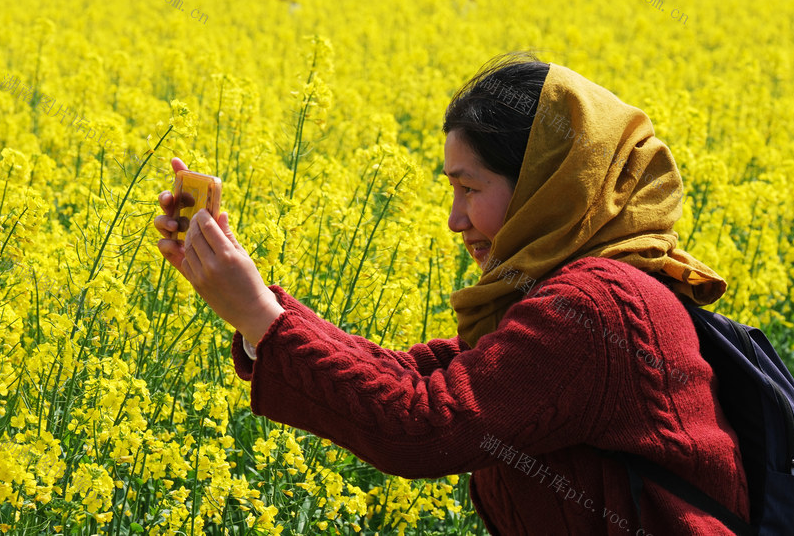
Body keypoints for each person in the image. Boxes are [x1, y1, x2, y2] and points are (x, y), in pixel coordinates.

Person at [154, 55, 750, 535]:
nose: (455, 219)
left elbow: (425, 426)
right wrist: (259, 303)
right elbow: (418, 377)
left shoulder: (596, 307)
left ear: (547, 188)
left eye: (470, 189)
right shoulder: (576, 288)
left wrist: (260, 317)